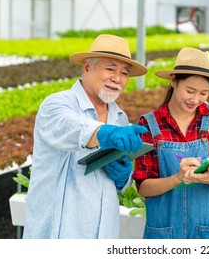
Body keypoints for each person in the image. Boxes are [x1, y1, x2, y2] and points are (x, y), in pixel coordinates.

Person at [23, 34, 148, 239]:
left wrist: (123, 177)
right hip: (59, 231)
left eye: (124, 73)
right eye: (110, 69)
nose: (117, 78)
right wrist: (108, 133)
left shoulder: (119, 117)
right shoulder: (57, 104)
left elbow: (117, 182)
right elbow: (70, 127)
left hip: (103, 231)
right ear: (87, 68)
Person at [134, 47, 209, 239]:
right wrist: (177, 178)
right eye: (190, 91)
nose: (195, 99)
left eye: (203, 93)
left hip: (207, 232)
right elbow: (143, 187)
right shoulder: (149, 124)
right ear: (173, 81)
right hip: (163, 232)